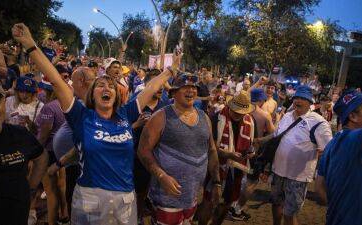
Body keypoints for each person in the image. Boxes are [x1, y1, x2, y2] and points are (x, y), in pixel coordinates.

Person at [12, 22, 181, 225]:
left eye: (110, 85)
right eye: (100, 85)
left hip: (125, 199)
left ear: (116, 94)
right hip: (89, 199)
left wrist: (172, 69)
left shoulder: (126, 113)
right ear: (92, 94)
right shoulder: (80, 115)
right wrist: (30, 44)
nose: (106, 87)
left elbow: (152, 87)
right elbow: (57, 81)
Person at [138, 74, 221, 225]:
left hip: (192, 196)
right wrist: (162, 176)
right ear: (173, 93)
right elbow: (143, 151)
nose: (191, 91)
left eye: (193, 88)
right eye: (185, 87)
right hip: (166, 199)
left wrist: (216, 182)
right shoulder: (160, 117)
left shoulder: (204, 118)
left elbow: (212, 150)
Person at [315, 90, 362, 225]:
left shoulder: (332, 145)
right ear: (353, 116)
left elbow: (319, 191)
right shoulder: (352, 138)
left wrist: (342, 206)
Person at [270, 85, 332, 225]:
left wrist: (323, 176)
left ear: (310, 102)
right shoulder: (286, 116)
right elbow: (276, 137)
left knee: (290, 214)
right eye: (296, 97)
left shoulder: (319, 122)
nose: (298, 101)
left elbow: (328, 151)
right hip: (278, 171)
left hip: (298, 177)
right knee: (276, 205)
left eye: (303, 98)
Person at [0, 77, 48, 225]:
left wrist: (30, 188)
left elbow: (41, 156)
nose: (24, 95)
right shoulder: (11, 102)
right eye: (21, 91)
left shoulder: (21, 133)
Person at [198, 90, 257, 225]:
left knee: (228, 202)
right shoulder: (216, 118)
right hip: (217, 167)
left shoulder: (250, 121)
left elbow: (253, 143)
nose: (238, 115)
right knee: (209, 201)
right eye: (236, 111)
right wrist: (228, 154)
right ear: (230, 106)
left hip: (237, 169)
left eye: (242, 112)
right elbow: (209, 147)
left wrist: (251, 151)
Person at [48, 67, 96, 218]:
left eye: (72, 81)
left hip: (79, 166)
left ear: (81, 81)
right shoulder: (82, 102)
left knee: (77, 203)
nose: (70, 84)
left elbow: (85, 142)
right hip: (72, 165)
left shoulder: (89, 106)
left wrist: (59, 163)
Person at [229, 88, 275, 220]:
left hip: (235, 149)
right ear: (261, 100)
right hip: (253, 151)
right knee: (252, 182)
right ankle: (237, 209)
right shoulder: (264, 114)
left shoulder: (237, 109)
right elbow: (273, 134)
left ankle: (231, 204)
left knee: (235, 179)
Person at [131, 70, 169, 223]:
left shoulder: (166, 104)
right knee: (136, 191)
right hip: (136, 157)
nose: (160, 88)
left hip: (158, 158)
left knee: (148, 190)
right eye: (156, 85)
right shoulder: (135, 104)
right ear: (147, 86)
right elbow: (120, 128)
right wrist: (136, 124)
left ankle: (141, 215)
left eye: (162, 85)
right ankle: (135, 217)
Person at [35, 79, 68, 225]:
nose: (41, 93)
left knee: (50, 192)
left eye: (44, 90)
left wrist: (35, 151)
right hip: (62, 151)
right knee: (61, 186)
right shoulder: (65, 105)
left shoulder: (49, 107)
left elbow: (44, 133)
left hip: (49, 151)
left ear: (49, 91)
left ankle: (52, 222)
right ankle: (64, 214)